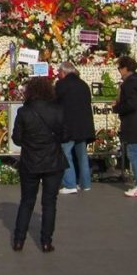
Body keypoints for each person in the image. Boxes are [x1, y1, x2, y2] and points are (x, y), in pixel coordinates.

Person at [11, 77, 67, 252]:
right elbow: (65, 135)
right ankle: (46, 241)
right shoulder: (57, 110)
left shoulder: (24, 112)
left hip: (30, 161)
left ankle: (19, 240)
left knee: (27, 201)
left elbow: (17, 139)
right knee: (49, 203)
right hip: (53, 160)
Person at [112, 55, 137, 197]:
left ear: (125, 68)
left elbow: (131, 104)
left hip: (133, 124)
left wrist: (117, 107)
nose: (119, 71)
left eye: (119, 68)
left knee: (134, 154)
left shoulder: (129, 83)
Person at [54, 62, 96, 194]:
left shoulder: (61, 85)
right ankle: (85, 183)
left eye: (59, 72)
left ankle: (70, 184)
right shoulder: (83, 84)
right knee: (82, 155)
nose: (58, 75)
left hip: (69, 126)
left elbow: (55, 103)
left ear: (64, 72)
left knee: (65, 154)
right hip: (83, 126)